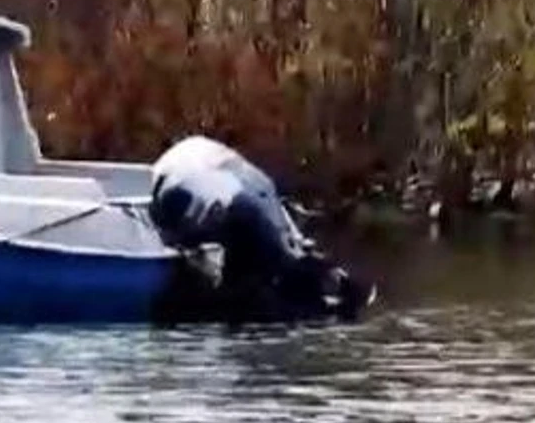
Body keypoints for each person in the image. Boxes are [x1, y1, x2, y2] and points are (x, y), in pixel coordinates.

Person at [147, 135, 374, 322]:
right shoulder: (194, 161)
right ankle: (332, 293)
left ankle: (336, 292)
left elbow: (187, 228)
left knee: (276, 267)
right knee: (267, 269)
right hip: (249, 201)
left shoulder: (178, 174)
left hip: (244, 210)